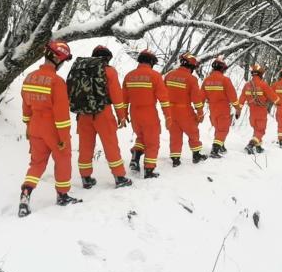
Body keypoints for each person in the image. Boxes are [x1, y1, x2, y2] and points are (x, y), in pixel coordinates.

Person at [18, 40, 79, 217]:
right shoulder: (57, 82)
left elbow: (26, 107)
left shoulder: (29, 77)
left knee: (36, 163)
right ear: (58, 59)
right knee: (63, 158)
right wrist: (63, 137)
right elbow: (61, 114)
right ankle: (62, 195)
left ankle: (26, 194)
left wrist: (28, 127)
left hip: (35, 125)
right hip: (52, 127)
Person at [76, 46, 132, 189]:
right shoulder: (109, 71)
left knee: (85, 147)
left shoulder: (81, 70)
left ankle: (86, 178)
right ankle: (119, 177)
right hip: (103, 113)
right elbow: (116, 96)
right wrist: (121, 116)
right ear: (107, 58)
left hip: (83, 114)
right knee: (110, 144)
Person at [123, 49, 171, 178]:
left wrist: (123, 114)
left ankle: (136, 155)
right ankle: (149, 170)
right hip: (148, 113)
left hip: (134, 113)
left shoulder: (129, 76)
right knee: (152, 142)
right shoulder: (155, 76)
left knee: (141, 137)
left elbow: (124, 98)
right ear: (151, 62)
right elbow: (164, 99)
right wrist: (168, 116)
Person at [164, 53, 207, 166]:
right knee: (193, 132)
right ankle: (196, 155)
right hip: (184, 111)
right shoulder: (191, 79)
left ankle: (175, 158)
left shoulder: (168, 76)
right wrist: (200, 113)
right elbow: (196, 99)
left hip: (170, 111)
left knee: (175, 135)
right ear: (191, 67)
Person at [201, 56, 241, 158]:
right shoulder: (225, 80)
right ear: (222, 69)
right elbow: (233, 97)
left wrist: (199, 110)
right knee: (223, 130)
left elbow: (201, 97)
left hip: (212, 110)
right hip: (223, 109)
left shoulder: (206, 80)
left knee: (218, 128)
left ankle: (221, 146)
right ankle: (215, 150)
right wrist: (238, 109)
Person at [238, 63, 280, 154]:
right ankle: (250, 145)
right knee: (260, 130)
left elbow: (241, 99)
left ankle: (258, 147)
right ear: (260, 74)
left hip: (252, 113)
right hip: (261, 112)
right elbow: (273, 97)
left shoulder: (247, 85)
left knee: (256, 129)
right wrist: (280, 103)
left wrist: (238, 110)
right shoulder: (263, 85)